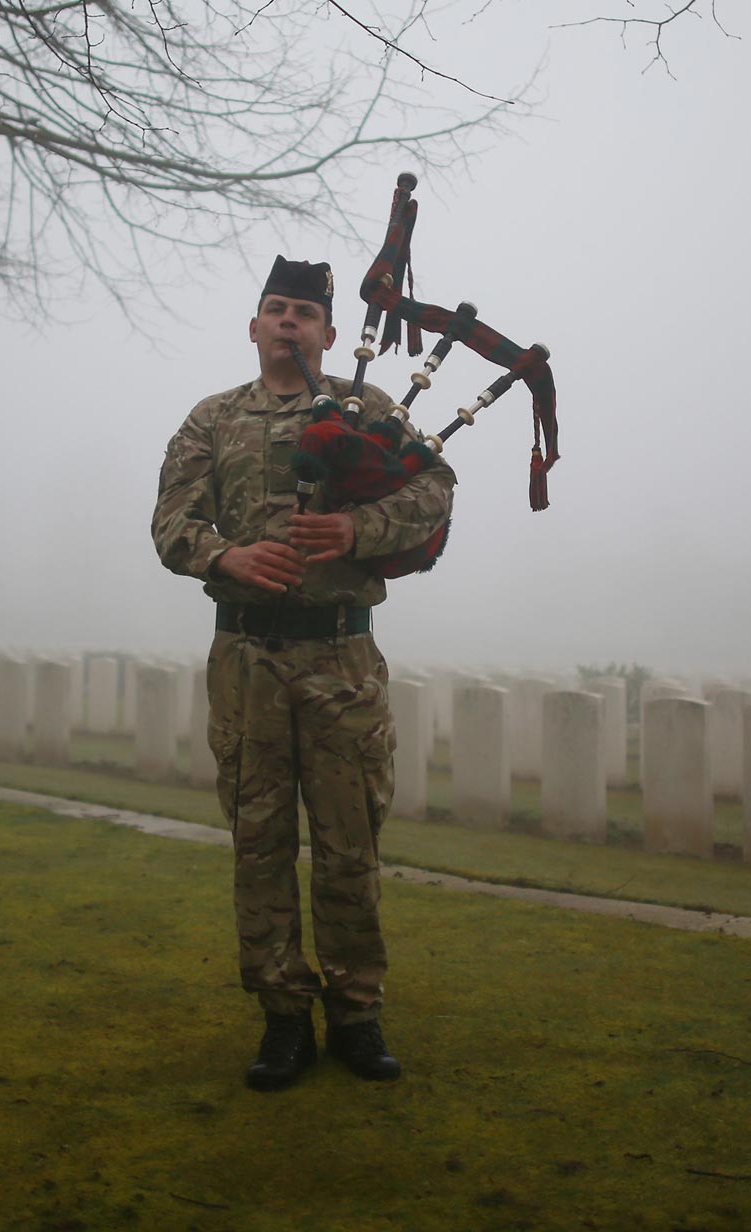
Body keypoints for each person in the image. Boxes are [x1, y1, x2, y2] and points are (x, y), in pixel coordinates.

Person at [151, 255, 456, 1091]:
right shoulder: (211, 420)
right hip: (246, 659)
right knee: (259, 845)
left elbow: (437, 486)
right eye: (275, 309)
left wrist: (358, 531)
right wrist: (227, 553)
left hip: (340, 658)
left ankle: (357, 1013)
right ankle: (283, 1017)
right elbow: (170, 520)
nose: (289, 323)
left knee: (349, 843)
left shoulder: (366, 409)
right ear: (253, 327)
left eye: (304, 313)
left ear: (326, 332)